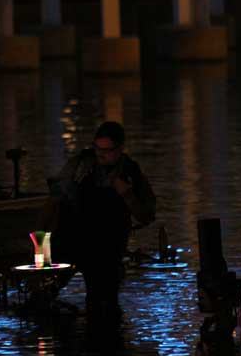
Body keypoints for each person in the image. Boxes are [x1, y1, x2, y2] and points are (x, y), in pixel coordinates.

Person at [38, 121, 156, 321]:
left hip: (107, 250)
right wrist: (41, 250)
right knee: (43, 295)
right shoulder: (79, 166)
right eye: (97, 149)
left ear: (120, 149)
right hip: (71, 240)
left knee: (103, 303)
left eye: (107, 151)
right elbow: (52, 203)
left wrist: (127, 195)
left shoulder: (130, 173)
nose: (101, 156)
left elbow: (147, 215)